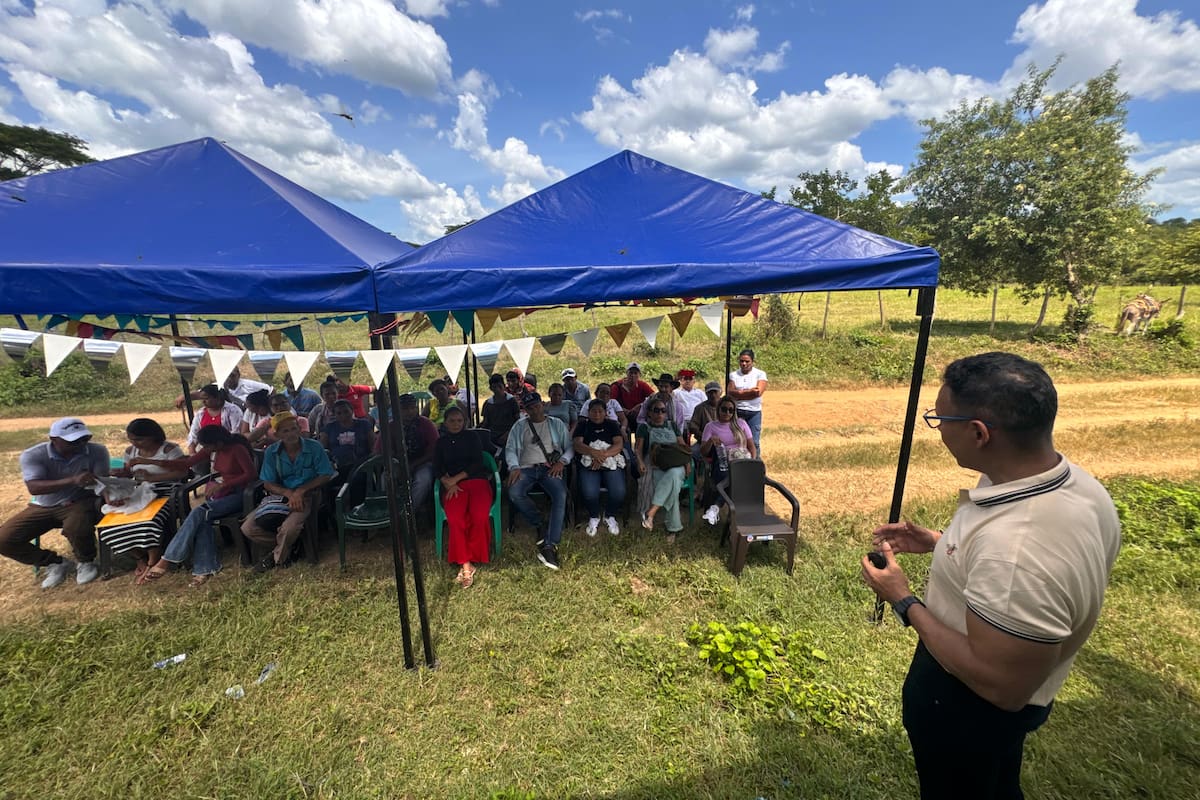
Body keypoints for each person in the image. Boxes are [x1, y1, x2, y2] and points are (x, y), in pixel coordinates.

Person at [861, 352, 1121, 800]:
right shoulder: (1076, 485)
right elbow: (1007, 574)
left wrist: (903, 598)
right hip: (989, 711)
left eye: (940, 417)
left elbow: (999, 685)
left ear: (979, 433)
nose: (938, 426)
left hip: (968, 708)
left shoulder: (1018, 550)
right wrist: (943, 542)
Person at [140, 426, 257, 586]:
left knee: (199, 512)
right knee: (203, 519)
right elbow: (186, 463)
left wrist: (224, 485)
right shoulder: (213, 449)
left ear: (219, 442)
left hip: (240, 495)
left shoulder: (237, 449)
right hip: (223, 495)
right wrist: (146, 461)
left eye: (207, 446)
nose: (205, 449)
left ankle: (167, 559)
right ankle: (204, 569)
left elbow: (251, 474)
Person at [0, 418, 109, 588]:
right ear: (54, 439)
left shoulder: (97, 451)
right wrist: (73, 480)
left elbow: (102, 482)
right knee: (4, 539)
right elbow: (34, 488)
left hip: (81, 500)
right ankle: (54, 562)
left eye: (84, 439)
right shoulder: (33, 455)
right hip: (43, 505)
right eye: (73, 441)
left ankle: (86, 560)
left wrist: (98, 481)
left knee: (76, 524)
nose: (80, 444)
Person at [242, 412, 335, 572]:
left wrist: (301, 491)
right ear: (276, 434)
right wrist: (289, 493)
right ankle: (291, 545)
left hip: (309, 495)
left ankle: (275, 559)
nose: (291, 434)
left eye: (293, 429)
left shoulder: (314, 447)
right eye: (285, 431)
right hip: (281, 497)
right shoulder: (272, 452)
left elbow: (326, 474)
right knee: (247, 527)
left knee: (289, 528)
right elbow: (268, 483)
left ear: (300, 429)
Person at [99, 418, 189, 580]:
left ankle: (153, 557)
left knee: (149, 521)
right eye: (131, 439)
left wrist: (153, 476)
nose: (135, 443)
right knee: (112, 524)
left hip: (166, 491)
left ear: (153, 436)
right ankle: (139, 556)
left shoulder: (169, 449)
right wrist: (120, 473)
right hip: (139, 492)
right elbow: (129, 473)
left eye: (139, 439)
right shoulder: (130, 451)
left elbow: (182, 472)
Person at [505, 392, 573, 571]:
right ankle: (539, 522)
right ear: (525, 410)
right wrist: (514, 466)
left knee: (560, 494)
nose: (534, 410)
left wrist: (561, 462)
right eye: (529, 408)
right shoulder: (519, 426)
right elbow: (511, 449)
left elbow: (570, 448)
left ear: (543, 404)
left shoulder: (556, 424)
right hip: (525, 467)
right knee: (514, 492)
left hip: (549, 467)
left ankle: (551, 545)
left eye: (536, 406)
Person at [434, 406, 493, 588]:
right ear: (445, 422)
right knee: (455, 518)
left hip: (475, 481)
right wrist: (447, 482)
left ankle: (475, 554)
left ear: (465, 422)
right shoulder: (440, 442)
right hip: (453, 487)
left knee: (479, 516)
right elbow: (436, 467)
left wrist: (455, 479)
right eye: (452, 420)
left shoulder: (472, 437)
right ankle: (466, 564)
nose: (456, 424)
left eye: (459, 420)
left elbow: (477, 462)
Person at [636, 400, 690, 543]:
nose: (660, 414)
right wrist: (640, 462)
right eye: (656, 410)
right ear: (649, 412)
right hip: (656, 465)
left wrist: (687, 463)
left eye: (663, 411)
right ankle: (673, 529)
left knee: (673, 475)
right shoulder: (644, 427)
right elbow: (638, 449)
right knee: (672, 487)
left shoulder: (672, 425)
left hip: (677, 464)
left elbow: (682, 446)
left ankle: (651, 513)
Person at [698, 396, 757, 525]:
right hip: (722, 461)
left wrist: (752, 461)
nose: (727, 413)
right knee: (734, 478)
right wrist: (710, 441)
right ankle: (737, 518)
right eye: (724, 409)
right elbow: (703, 452)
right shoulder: (711, 426)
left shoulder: (741, 423)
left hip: (742, 461)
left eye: (731, 410)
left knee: (737, 478)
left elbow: (752, 447)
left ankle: (715, 508)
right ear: (718, 410)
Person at [573, 399, 625, 537]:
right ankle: (594, 515)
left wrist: (602, 455)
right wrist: (593, 453)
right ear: (588, 412)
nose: (597, 414)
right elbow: (577, 444)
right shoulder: (583, 425)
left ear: (606, 413)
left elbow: (619, 444)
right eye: (593, 411)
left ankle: (610, 515)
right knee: (589, 492)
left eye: (600, 411)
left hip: (609, 460)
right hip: (589, 462)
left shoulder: (612, 424)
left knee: (619, 491)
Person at [321, 399, 375, 506]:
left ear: (352, 410)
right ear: (334, 414)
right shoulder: (329, 428)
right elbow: (323, 450)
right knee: (326, 484)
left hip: (361, 465)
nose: (343, 415)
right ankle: (334, 515)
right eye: (339, 413)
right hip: (337, 467)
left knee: (358, 480)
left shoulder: (363, 424)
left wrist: (368, 462)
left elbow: (373, 447)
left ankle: (358, 511)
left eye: (346, 411)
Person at [397, 393, 439, 513]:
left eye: (412, 408)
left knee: (423, 480)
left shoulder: (426, 424)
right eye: (405, 409)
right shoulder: (391, 426)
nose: (409, 412)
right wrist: (398, 465)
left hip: (424, 462)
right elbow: (380, 450)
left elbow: (434, 449)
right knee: (385, 479)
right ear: (398, 410)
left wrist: (414, 465)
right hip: (398, 463)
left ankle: (408, 513)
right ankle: (390, 513)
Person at [174, 365, 269, 412]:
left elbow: (271, 390)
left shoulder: (250, 385)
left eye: (232, 375)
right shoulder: (218, 386)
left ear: (239, 375)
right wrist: (184, 397)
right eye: (227, 376)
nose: (229, 379)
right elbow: (202, 394)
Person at [727, 348, 767, 452]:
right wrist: (750, 392)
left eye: (747, 361)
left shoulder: (760, 374)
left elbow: (758, 392)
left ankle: (755, 465)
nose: (744, 364)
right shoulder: (733, 375)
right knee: (737, 441)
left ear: (752, 362)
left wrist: (739, 393)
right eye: (741, 361)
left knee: (754, 442)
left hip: (754, 412)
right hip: (737, 411)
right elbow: (730, 392)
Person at [185, 383, 243, 453]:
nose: (203, 401)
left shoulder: (233, 410)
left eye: (206, 398)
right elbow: (193, 434)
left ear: (217, 398)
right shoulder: (200, 413)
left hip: (227, 450)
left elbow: (236, 433)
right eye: (202, 399)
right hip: (204, 450)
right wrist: (192, 452)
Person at [481, 374, 520, 453]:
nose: (498, 390)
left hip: (509, 436)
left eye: (499, 386)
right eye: (494, 387)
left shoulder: (512, 401)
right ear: (491, 388)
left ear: (504, 386)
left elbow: (517, 421)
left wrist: (508, 433)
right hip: (492, 437)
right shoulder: (488, 403)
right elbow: (486, 422)